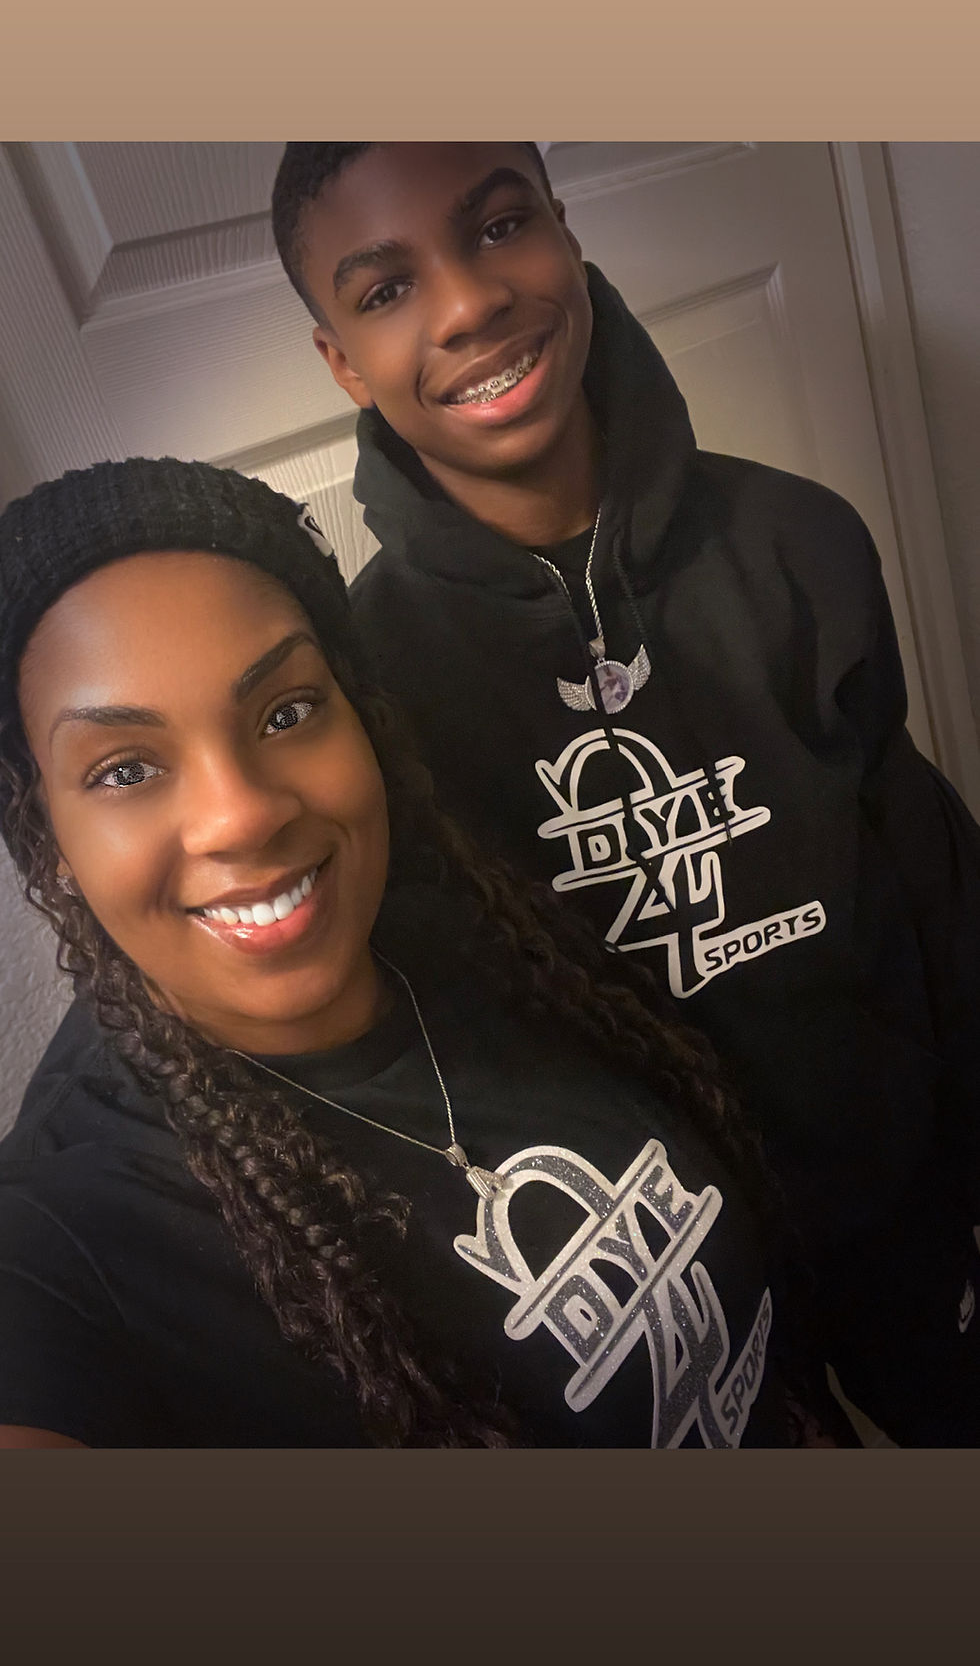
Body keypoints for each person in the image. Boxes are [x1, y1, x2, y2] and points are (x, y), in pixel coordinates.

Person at [270, 141, 980, 1446]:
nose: (468, 301)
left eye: (498, 225)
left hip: (907, 1209)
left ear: (563, 228)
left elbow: (932, 879)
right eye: (385, 289)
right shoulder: (371, 693)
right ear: (341, 361)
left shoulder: (799, 543)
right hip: (676, 1307)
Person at [0, 455, 814, 1448]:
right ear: (48, 838)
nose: (241, 813)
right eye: (126, 769)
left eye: (287, 711)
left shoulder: (483, 941)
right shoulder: (65, 1238)